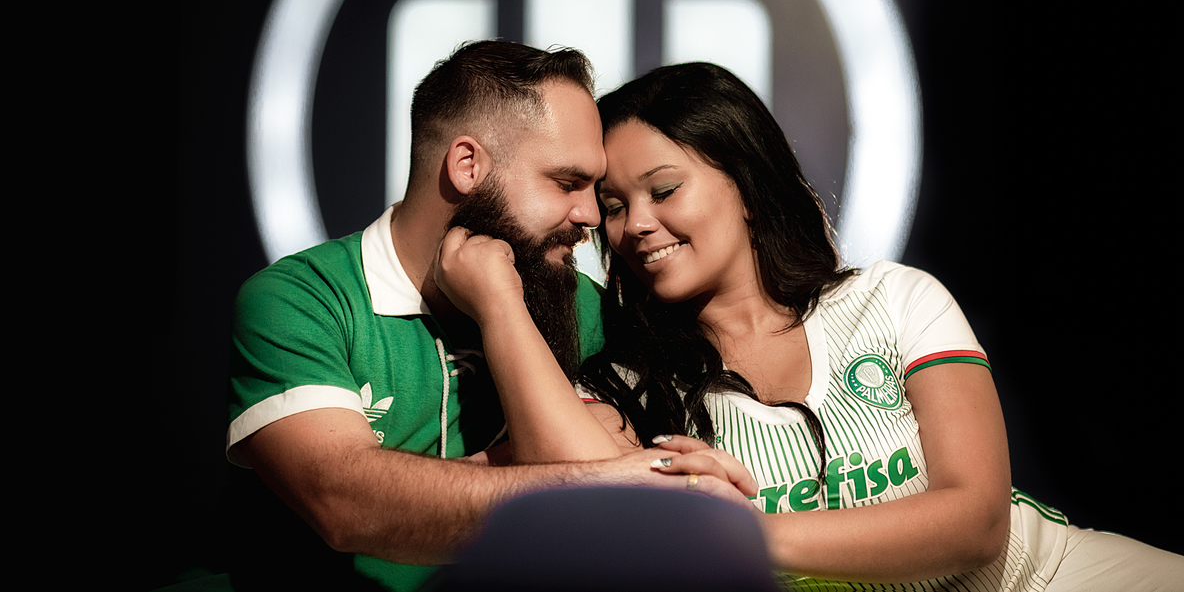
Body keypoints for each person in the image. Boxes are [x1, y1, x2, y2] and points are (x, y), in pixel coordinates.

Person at [439, 62, 1184, 590]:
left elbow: (976, 519)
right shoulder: (632, 386)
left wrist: (741, 536)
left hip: (1055, 575)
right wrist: (501, 303)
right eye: (612, 204)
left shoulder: (894, 298)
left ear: (750, 190)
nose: (636, 224)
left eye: (664, 189)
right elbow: (589, 515)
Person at [224, 42, 756, 592]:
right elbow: (345, 503)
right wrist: (582, 479)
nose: (592, 216)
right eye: (566, 183)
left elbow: (607, 538)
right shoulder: (302, 301)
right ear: (467, 165)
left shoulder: (586, 307)